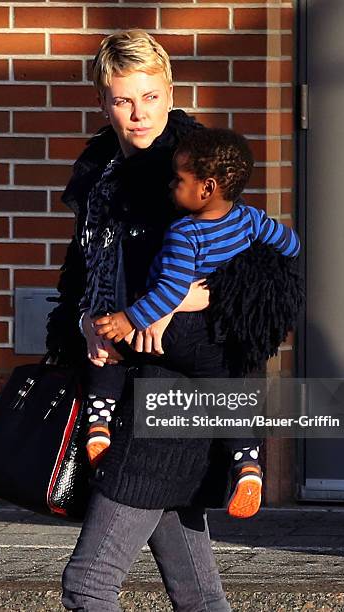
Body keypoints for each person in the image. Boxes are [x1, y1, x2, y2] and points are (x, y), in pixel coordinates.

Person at [46, 29, 302, 612]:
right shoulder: (99, 174)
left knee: (88, 584)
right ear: (102, 99)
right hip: (130, 380)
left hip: (177, 389)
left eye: (151, 96)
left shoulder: (196, 163)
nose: (139, 113)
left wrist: (191, 296)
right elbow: (81, 273)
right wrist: (88, 319)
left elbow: (264, 274)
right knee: (196, 592)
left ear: (170, 91)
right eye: (123, 99)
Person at [91, 127, 300, 519]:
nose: (171, 186)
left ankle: (99, 423)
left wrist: (126, 318)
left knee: (108, 346)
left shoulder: (184, 233)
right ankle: (249, 465)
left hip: (176, 331)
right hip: (217, 337)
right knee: (225, 394)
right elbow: (290, 244)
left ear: (206, 188)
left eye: (179, 180)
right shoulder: (250, 219)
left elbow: (170, 291)